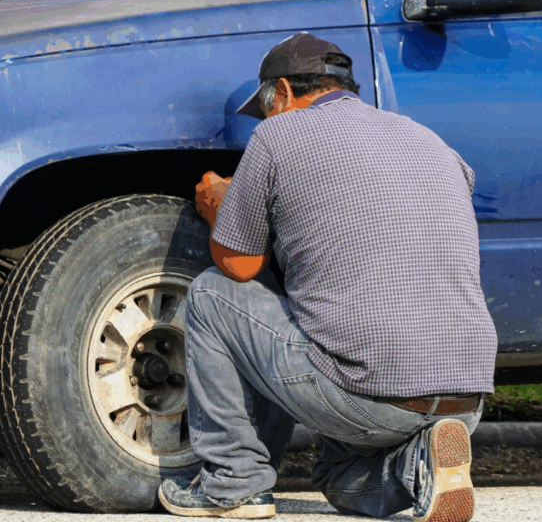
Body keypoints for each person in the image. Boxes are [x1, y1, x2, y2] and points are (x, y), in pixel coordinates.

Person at [158, 32, 498, 522]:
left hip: (369, 395)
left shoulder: (277, 136)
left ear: (283, 92)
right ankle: (418, 467)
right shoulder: (430, 140)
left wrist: (220, 209)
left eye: (268, 106)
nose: (268, 118)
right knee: (338, 479)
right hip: (466, 396)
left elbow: (240, 266)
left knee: (213, 295)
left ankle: (233, 484)